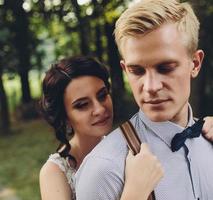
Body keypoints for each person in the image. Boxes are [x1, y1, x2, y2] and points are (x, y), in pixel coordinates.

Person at [75, 0, 213, 199]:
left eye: (165, 68)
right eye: (137, 71)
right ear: (125, 70)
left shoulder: (209, 142)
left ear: (195, 64)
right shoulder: (104, 169)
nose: (150, 87)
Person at [39, 56, 164, 200]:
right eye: (82, 105)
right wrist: (136, 191)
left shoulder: (128, 147)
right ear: (64, 116)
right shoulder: (54, 172)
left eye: (102, 95)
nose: (99, 109)